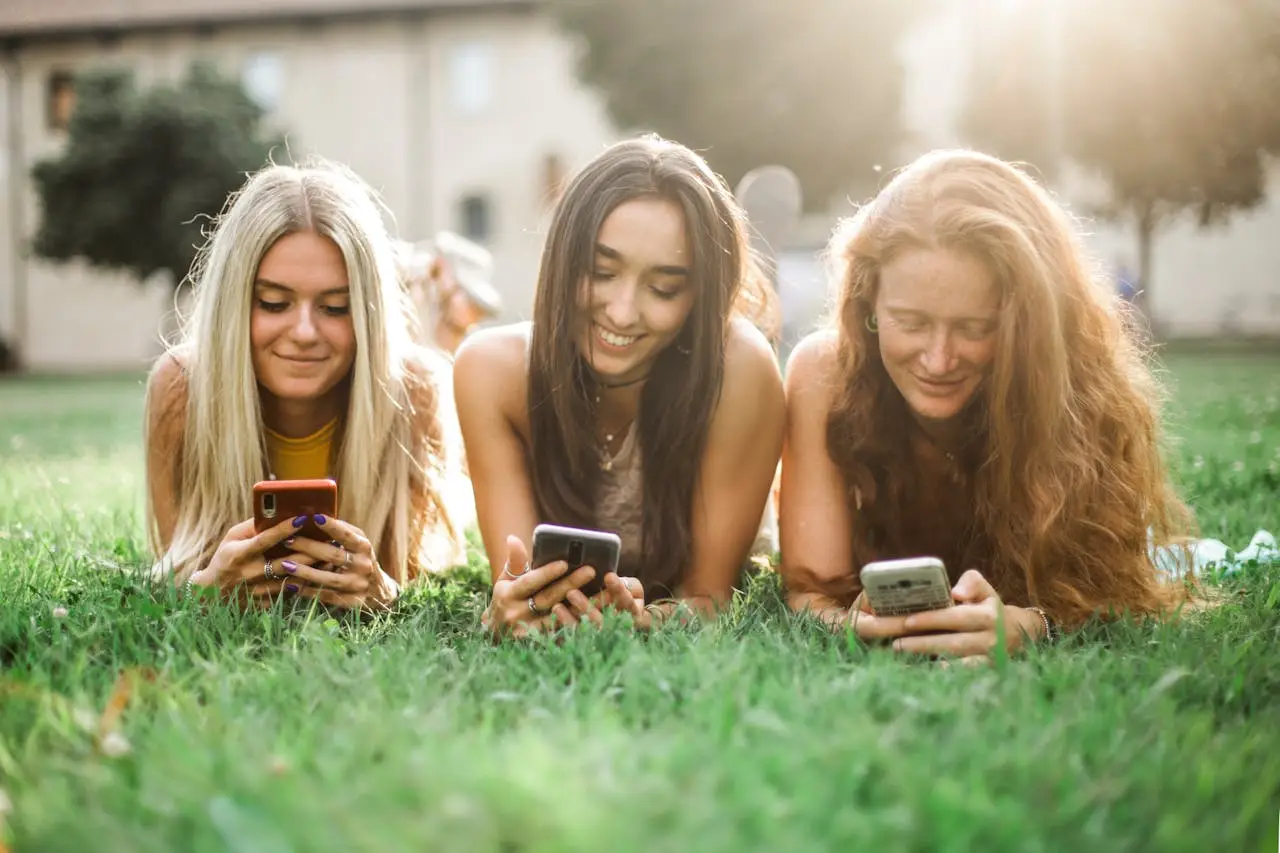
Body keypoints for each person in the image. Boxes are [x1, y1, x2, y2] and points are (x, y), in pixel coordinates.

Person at [780, 149, 1196, 663]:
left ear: (1026, 326)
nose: (938, 358)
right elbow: (809, 593)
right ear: (868, 306)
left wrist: (1034, 624)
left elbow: (1111, 593)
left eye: (975, 329)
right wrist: (856, 623)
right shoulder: (824, 375)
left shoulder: (1070, 389)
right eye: (910, 323)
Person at [454, 135, 784, 638]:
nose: (623, 311)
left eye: (664, 288)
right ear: (563, 259)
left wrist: (644, 622)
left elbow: (709, 598)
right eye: (601, 271)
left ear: (701, 294)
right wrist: (522, 608)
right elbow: (518, 582)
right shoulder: (491, 372)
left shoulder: (740, 369)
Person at [144, 158, 469, 611]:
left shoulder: (416, 390)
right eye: (274, 303)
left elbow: (420, 584)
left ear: (368, 315)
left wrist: (384, 594)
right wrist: (205, 591)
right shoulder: (181, 387)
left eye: (335, 307)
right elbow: (173, 569)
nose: (303, 332)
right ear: (233, 303)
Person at [396, 231, 503, 355]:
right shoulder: (411, 274)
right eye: (467, 300)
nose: (470, 313)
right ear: (441, 266)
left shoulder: (457, 331)